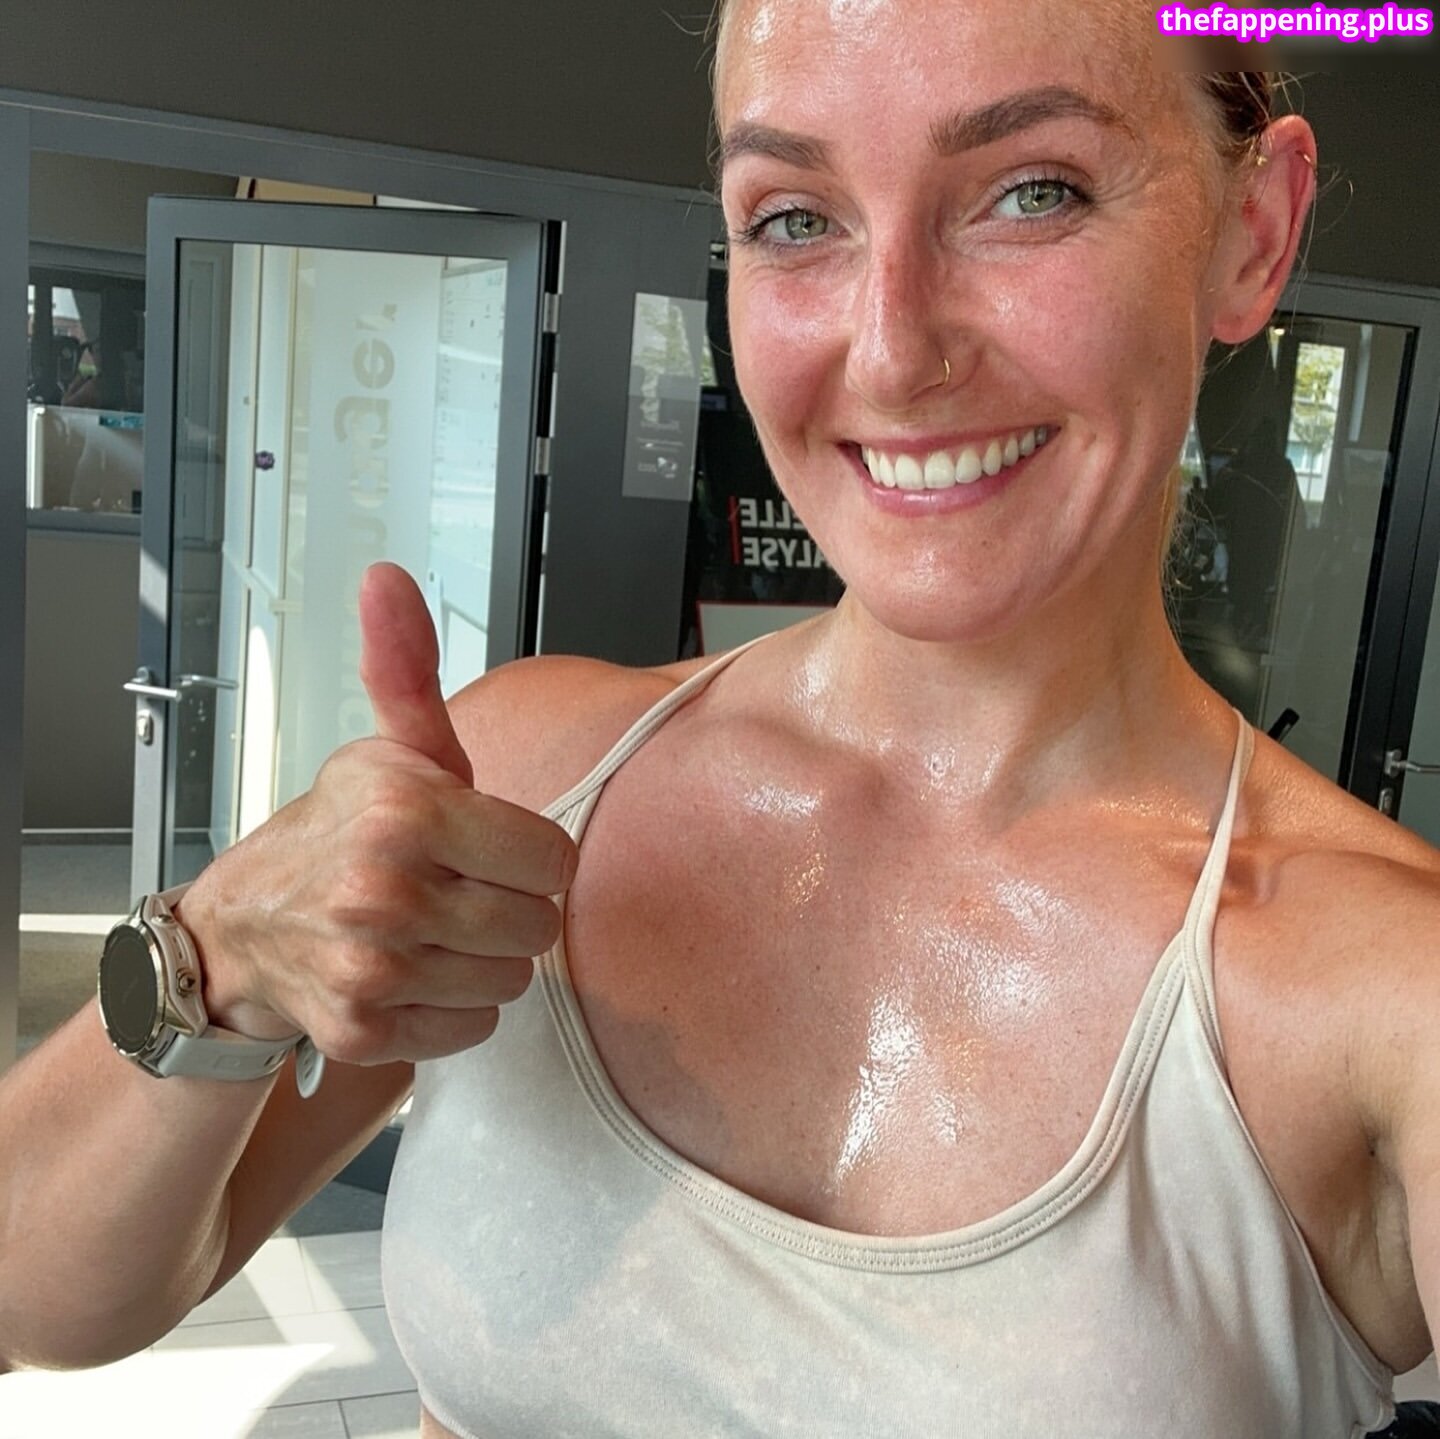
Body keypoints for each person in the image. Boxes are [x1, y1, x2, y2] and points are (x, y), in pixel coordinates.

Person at [2, 0, 1437, 1434]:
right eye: (796, 219)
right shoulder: (528, 774)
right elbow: (36, 1301)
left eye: (1033, 191)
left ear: (1253, 233)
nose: (891, 352)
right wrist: (218, 952)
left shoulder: (1383, 988)